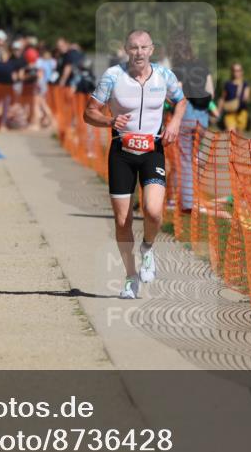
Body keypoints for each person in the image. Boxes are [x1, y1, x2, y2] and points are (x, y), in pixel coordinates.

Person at [84, 30, 186, 299]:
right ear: (126, 50)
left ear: (152, 49)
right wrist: (108, 121)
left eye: (143, 47)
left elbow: (181, 101)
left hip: (152, 149)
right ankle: (130, 277)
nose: (139, 52)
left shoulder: (165, 76)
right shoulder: (113, 77)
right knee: (122, 220)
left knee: (153, 212)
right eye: (134, 48)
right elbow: (89, 112)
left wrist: (174, 122)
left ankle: (148, 248)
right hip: (122, 151)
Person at [168, 30, 213, 212]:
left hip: (185, 116)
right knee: (196, 159)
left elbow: (176, 95)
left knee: (185, 160)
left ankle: (186, 203)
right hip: (202, 118)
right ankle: (191, 196)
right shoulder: (203, 66)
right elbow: (211, 92)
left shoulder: (177, 69)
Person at [221, 63, 250, 132]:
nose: (237, 72)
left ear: (242, 72)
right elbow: (222, 98)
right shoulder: (227, 84)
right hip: (230, 112)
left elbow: (247, 96)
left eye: (239, 70)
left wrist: (245, 98)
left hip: (241, 112)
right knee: (231, 133)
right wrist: (218, 112)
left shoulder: (245, 84)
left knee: (239, 135)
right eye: (235, 70)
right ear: (232, 72)